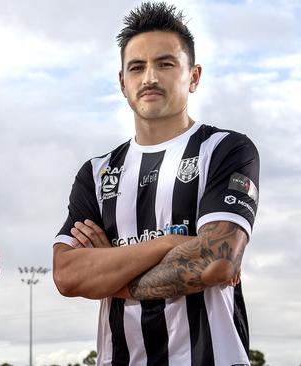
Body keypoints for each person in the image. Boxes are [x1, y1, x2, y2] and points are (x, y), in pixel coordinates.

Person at [52, 2, 259, 365]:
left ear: (193, 76)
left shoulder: (226, 150)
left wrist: (108, 275)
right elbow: (68, 276)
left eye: (165, 64)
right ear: (122, 82)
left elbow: (215, 262)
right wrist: (170, 243)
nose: (149, 77)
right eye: (137, 67)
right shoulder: (98, 173)